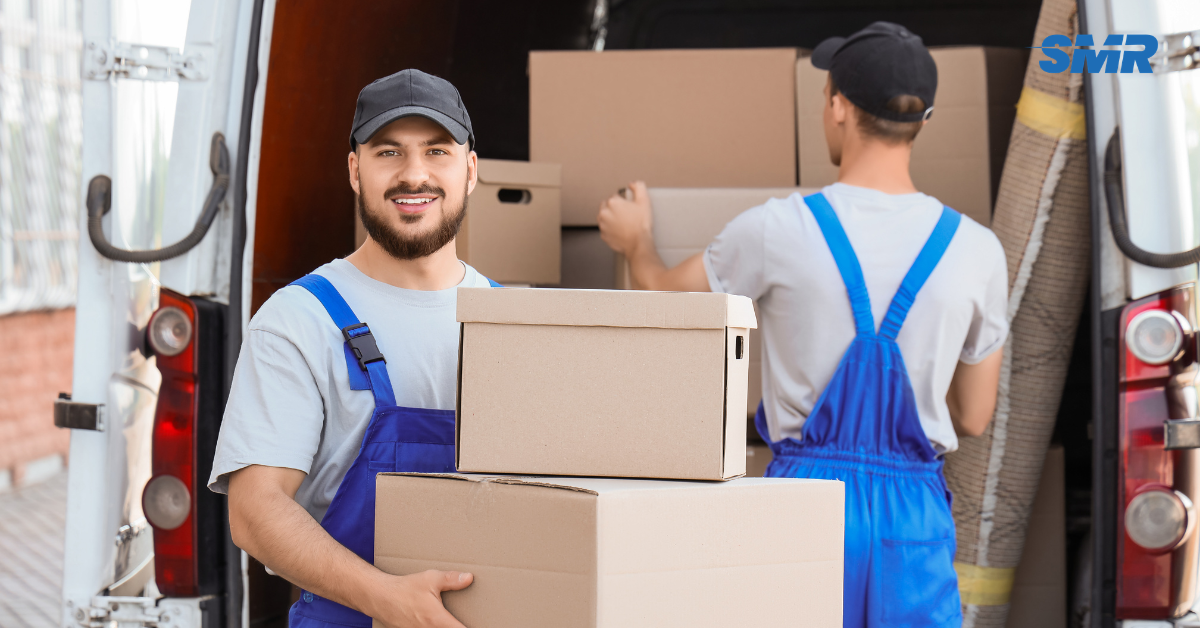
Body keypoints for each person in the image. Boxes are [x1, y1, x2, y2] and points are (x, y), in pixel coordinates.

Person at [598, 22, 1007, 628]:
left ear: (838, 107)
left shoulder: (777, 229)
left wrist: (636, 244)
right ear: (924, 119)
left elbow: (665, 295)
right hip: (912, 518)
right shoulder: (977, 251)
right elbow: (973, 416)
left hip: (804, 506)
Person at [208, 69, 495, 628]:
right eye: (389, 151)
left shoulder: (515, 326)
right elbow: (253, 511)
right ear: (355, 170)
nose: (414, 175)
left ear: (470, 170)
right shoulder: (300, 320)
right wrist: (388, 600)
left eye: (437, 151)